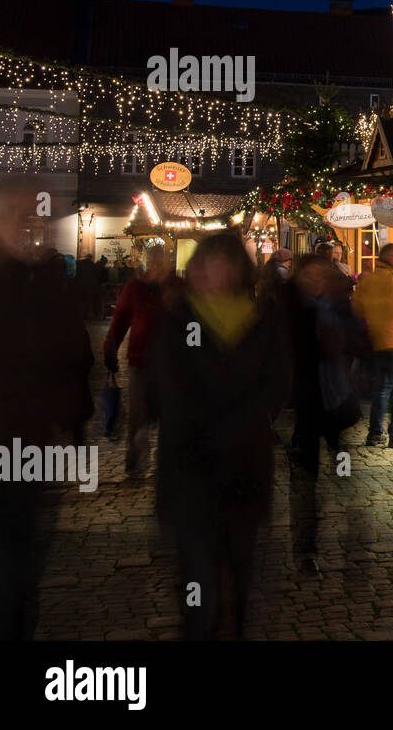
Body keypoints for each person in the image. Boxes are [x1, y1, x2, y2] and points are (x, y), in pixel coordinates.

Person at [149, 230, 289, 639]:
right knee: (199, 586)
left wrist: (245, 424)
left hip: (244, 473)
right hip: (191, 473)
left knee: (241, 579)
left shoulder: (261, 318)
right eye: (206, 263)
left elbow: (276, 382)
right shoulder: (178, 321)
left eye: (222, 263)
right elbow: (169, 392)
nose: (213, 273)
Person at [0, 178, 94, 639]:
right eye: (18, 216)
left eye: (36, 217)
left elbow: (73, 356)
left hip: (29, 445)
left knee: (22, 561)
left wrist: (76, 427)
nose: (29, 227)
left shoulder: (47, 284)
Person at [284, 254, 365, 575]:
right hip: (302, 406)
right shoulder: (289, 309)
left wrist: (343, 339)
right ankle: (305, 549)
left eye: (321, 275)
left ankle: (351, 533)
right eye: (310, 275)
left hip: (334, 402)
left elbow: (359, 341)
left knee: (343, 472)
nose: (316, 281)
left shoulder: (336, 306)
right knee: (305, 482)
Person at [104, 246, 182, 476]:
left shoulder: (177, 288)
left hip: (171, 366)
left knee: (170, 419)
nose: (157, 266)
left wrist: (193, 351)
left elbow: (191, 324)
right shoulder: (135, 288)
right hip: (141, 361)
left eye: (161, 261)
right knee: (138, 418)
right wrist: (110, 349)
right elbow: (120, 321)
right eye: (153, 261)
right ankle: (136, 463)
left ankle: (170, 467)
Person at [352, 243, 393, 448]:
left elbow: (357, 307)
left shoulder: (369, 279)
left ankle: (374, 433)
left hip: (377, 339)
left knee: (381, 388)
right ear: (389, 257)